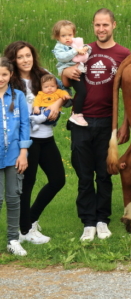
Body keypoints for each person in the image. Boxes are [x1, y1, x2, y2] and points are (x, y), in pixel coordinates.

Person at [62, 8, 130, 242]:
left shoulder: (124, 55)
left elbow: (130, 94)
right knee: (83, 175)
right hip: (80, 121)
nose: (101, 29)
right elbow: (65, 79)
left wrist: (124, 124)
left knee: (104, 174)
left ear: (114, 25)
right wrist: (66, 71)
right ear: (93, 26)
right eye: (97, 25)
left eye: (105, 25)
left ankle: (102, 220)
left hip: (106, 123)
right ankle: (88, 222)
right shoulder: (83, 50)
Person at [4, 41, 67, 245]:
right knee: (27, 186)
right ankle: (25, 230)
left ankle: (30, 220)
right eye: (20, 57)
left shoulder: (43, 74)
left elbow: (66, 93)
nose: (25, 60)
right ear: (13, 60)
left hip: (46, 136)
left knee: (58, 179)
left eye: (28, 55)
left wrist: (57, 103)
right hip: (25, 140)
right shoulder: (9, 81)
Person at [0, 57, 31, 256]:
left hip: (14, 156)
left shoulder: (18, 96)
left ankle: (13, 239)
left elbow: (24, 126)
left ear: (11, 75)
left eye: (3, 74)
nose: (0, 78)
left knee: (13, 197)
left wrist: (23, 153)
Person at [52, 20, 90, 127]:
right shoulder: (59, 47)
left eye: (70, 35)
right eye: (63, 36)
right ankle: (76, 114)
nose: (68, 38)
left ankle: (77, 107)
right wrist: (76, 51)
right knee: (82, 91)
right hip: (69, 71)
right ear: (57, 37)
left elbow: (84, 47)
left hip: (79, 69)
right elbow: (62, 57)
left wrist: (86, 48)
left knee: (84, 90)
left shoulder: (74, 43)